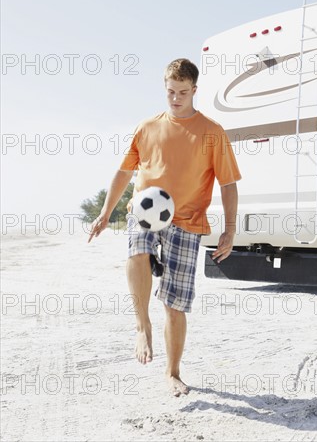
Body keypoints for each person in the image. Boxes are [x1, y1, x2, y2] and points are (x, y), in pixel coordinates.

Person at [88, 58, 241, 397]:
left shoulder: (212, 132)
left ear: (195, 91)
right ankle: (142, 326)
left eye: (183, 93)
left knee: (175, 304)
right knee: (138, 249)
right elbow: (124, 173)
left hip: (187, 221)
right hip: (144, 208)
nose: (175, 99)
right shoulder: (146, 127)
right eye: (171, 92)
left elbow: (228, 184)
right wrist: (104, 213)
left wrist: (229, 230)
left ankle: (172, 373)